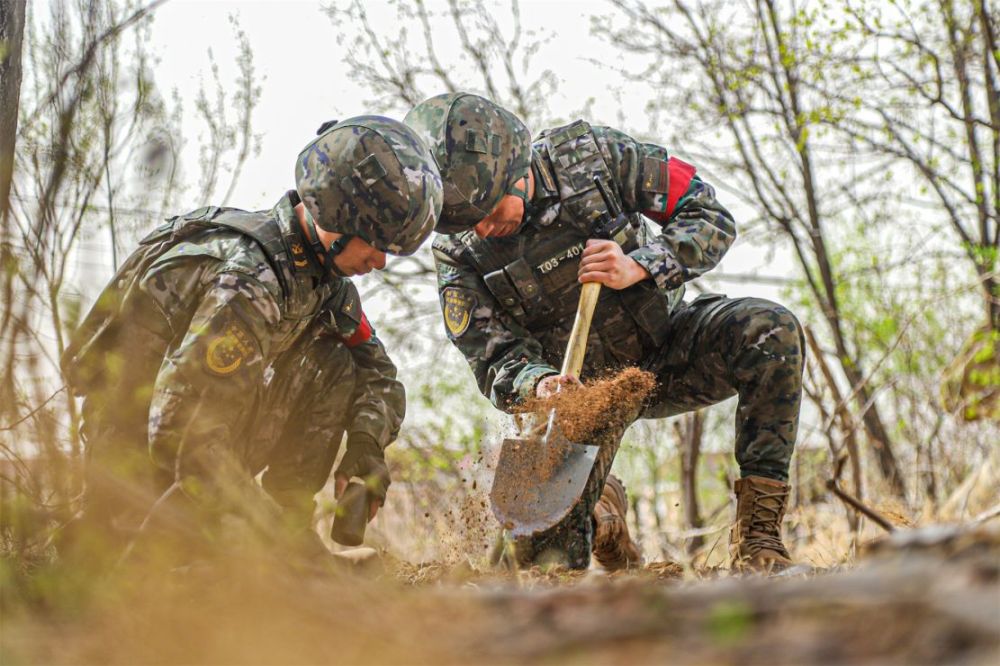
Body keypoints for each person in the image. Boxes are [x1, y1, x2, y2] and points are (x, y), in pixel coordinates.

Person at [405, 92, 804, 572]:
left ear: (516, 169)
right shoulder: (457, 248)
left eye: (490, 210)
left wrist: (641, 264)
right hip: (578, 398)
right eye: (469, 220)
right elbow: (490, 353)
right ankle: (602, 513)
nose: (484, 228)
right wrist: (536, 383)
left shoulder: (591, 157)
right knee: (541, 559)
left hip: (670, 350)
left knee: (770, 330)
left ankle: (759, 541)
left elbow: (709, 216)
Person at [60, 116, 442, 563]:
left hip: (200, 462)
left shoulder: (320, 280)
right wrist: (276, 549)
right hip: (139, 470)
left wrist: (365, 449)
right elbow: (179, 433)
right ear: (340, 213)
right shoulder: (251, 277)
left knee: (336, 361)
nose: (379, 262)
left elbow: (377, 373)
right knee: (145, 579)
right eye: (377, 243)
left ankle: (285, 526)